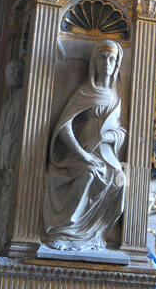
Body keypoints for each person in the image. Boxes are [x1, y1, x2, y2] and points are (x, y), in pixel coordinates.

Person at [43, 40, 126, 251]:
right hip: (79, 155)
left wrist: (103, 137)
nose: (106, 63)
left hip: (105, 154)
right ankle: (66, 232)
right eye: (102, 57)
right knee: (88, 174)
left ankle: (94, 234)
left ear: (117, 63)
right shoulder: (85, 91)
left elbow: (120, 132)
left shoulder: (115, 95)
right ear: (94, 62)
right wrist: (82, 154)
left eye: (111, 58)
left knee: (119, 180)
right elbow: (63, 127)